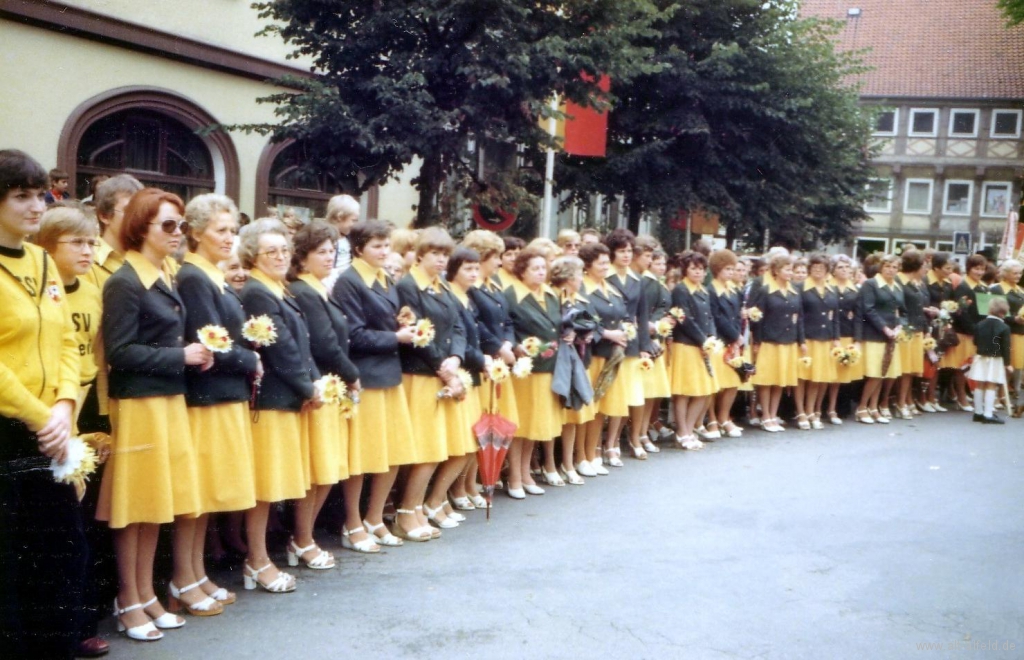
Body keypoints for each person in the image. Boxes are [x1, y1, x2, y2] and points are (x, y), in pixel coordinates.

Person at [97, 188, 211, 639]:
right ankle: (128, 598)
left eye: (180, 224)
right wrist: (179, 357)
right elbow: (120, 352)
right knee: (134, 506)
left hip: (165, 400)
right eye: (168, 225)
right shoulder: (125, 281)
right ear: (140, 226)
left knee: (153, 505)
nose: (177, 233)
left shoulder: (163, 275)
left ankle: (145, 595)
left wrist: (187, 354)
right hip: (140, 404)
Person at [0, 150, 86, 659]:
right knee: (9, 564)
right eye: (22, 196)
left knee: (60, 555)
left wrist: (65, 408)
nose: (38, 206)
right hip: (9, 430)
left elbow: (67, 344)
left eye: (40, 195)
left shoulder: (42, 261)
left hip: (52, 428)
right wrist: (40, 415)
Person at [177, 194, 261, 609]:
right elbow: (212, 340)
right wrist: (252, 358)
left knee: (209, 494)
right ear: (194, 232)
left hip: (225, 395)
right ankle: (183, 577)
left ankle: (196, 574)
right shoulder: (193, 276)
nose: (229, 238)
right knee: (198, 495)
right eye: (220, 230)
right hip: (207, 397)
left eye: (233, 230)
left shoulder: (212, 274)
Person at [34, 204, 111, 658]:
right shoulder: (40, 288)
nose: (88, 251)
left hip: (83, 409)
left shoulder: (93, 290)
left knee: (84, 524)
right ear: (47, 246)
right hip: (47, 414)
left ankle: (84, 619)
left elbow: (95, 358)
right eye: (77, 243)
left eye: (91, 242)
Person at [238, 218, 321, 592]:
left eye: (285, 250)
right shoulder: (258, 291)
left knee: (275, 484)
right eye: (270, 251)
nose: (280, 256)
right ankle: (256, 561)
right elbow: (281, 348)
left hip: (288, 397)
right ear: (253, 255)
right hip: (271, 399)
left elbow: (301, 343)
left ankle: (261, 557)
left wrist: (312, 382)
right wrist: (308, 387)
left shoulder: (278, 288)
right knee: (265, 487)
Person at [333, 221, 417, 547]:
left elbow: (382, 319)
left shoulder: (385, 278)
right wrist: (396, 336)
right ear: (358, 250)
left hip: (389, 374)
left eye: (387, 246)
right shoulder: (349, 282)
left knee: (391, 452)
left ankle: (374, 517)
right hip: (366, 376)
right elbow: (353, 335)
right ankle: (352, 524)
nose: (384, 252)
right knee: (362, 456)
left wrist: (402, 320)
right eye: (377, 247)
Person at [288, 221, 361, 560]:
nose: (329, 256)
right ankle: (301, 539)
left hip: (331, 388)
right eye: (321, 251)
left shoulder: (318, 287)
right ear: (302, 257)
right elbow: (326, 344)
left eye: (333, 250)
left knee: (327, 470)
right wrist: (352, 375)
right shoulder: (304, 290)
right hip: (323, 384)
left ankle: (305, 537)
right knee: (319, 471)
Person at [396, 227, 466, 530]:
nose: (441, 260)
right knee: (424, 449)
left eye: (445, 254)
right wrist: (444, 368)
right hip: (420, 374)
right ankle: (405, 512)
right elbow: (418, 335)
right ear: (421, 253)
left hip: (443, 373)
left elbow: (459, 327)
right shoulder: (409, 285)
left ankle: (418, 508)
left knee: (438, 448)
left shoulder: (443, 286)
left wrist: (456, 359)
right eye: (435, 254)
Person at [463, 230, 518, 506]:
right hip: (485, 359)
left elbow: (506, 319)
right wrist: (498, 346)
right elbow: (478, 325)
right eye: (494, 256)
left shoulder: (493, 285)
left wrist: (508, 342)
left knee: (489, 422)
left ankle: (473, 482)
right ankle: (466, 485)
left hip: (499, 359)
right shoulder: (472, 287)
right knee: (479, 423)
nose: (498, 262)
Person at [505, 246, 566, 498]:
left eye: (543, 268)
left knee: (535, 424)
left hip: (547, 367)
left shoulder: (551, 294)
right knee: (520, 425)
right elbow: (508, 327)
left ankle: (526, 472)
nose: (541, 273)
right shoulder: (511, 295)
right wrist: (518, 346)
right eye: (535, 269)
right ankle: (514, 477)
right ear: (522, 271)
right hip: (525, 370)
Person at [430, 246, 486, 516]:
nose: (474, 273)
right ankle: (436, 499)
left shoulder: (468, 296)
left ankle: (442, 498)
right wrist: (480, 359)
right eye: (468, 268)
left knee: (468, 443)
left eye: (476, 268)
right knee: (460, 444)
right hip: (458, 372)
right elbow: (457, 336)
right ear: (453, 270)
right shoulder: (451, 295)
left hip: (470, 373)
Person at [602, 228, 652, 461]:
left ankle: (629, 440)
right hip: (609, 342)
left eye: (630, 251)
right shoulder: (605, 276)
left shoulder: (638, 280)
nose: (626, 255)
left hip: (631, 344)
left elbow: (641, 316)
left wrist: (645, 345)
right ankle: (609, 444)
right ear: (612, 253)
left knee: (632, 396)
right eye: (621, 251)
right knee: (614, 397)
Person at [748, 253, 804, 433]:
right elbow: (757, 318)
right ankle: (765, 415)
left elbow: (799, 318)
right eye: (787, 269)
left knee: (780, 380)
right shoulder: (766, 290)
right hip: (770, 341)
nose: (790, 273)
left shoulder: (795, 290)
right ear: (776, 271)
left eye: (791, 269)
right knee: (767, 380)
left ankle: (773, 414)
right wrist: (757, 341)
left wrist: (800, 340)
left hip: (788, 341)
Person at [669, 251, 720, 447]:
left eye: (701, 269)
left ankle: (689, 429)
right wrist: (702, 340)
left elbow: (710, 317)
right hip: (686, 345)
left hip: (703, 346)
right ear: (685, 270)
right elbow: (684, 319)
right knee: (684, 391)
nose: (698, 272)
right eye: (693, 268)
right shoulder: (681, 290)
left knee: (704, 390)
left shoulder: (704, 290)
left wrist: (712, 338)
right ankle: (682, 432)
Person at [550, 255, 592, 485]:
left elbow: (589, 321)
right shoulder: (554, 297)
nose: (581, 279)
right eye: (578, 275)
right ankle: (550, 464)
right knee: (555, 414)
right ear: (567, 278)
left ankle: (568, 462)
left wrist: (583, 332)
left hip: (575, 357)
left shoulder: (578, 299)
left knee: (573, 415)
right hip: (558, 359)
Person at [855, 254, 906, 424]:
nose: (891, 270)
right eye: (887, 266)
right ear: (881, 268)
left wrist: (900, 326)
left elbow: (902, 311)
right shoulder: (871, 284)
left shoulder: (897, 286)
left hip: (892, 335)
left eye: (894, 267)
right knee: (875, 373)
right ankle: (862, 407)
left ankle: (874, 407)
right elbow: (868, 309)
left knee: (884, 373)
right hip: (875, 334)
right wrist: (884, 328)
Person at [796, 254, 840, 430]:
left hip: (825, 338)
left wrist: (836, 338)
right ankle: (801, 413)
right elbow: (797, 316)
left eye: (821, 267)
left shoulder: (831, 289)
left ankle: (812, 411)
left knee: (818, 377)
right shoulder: (800, 287)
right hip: (807, 338)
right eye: (814, 266)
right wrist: (801, 339)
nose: (818, 270)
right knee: (802, 377)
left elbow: (835, 317)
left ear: (827, 270)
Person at [942, 254, 988, 410]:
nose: (980, 272)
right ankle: (961, 397)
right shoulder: (963, 286)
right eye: (976, 269)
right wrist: (974, 329)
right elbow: (961, 313)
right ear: (969, 269)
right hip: (965, 332)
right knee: (961, 367)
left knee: (972, 366)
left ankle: (962, 394)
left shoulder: (982, 287)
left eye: (982, 269)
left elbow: (985, 311)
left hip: (978, 332)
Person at [707, 249, 744, 437]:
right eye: (727, 269)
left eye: (733, 269)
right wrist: (733, 336)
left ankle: (724, 417)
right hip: (719, 341)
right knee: (716, 384)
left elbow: (737, 316)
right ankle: (712, 418)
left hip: (733, 341)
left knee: (733, 381)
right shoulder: (711, 289)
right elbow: (717, 317)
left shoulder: (734, 290)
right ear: (717, 269)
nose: (731, 272)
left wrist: (738, 336)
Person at [894, 251, 933, 418]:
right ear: (916, 266)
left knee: (911, 370)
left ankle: (906, 400)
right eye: (924, 265)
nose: (926, 268)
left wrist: (925, 329)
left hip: (917, 329)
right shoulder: (899, 281)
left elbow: (918, 308)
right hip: (906, 330)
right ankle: (900, 403)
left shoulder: (916, 282)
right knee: (904, 370)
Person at [826, 255, 863, 423]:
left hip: (847, 333)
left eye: (848, 268)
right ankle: (824, 407)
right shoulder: (827, 286)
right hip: (829, 335)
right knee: (827, 373)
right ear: (833, 269)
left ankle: (837, 408)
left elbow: (858, 316)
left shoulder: (854, 290)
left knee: (842, 375)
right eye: (840, 267)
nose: (845, 270)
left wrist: (857, 339)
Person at [968, 297, 1011, 424]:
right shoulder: (1004, 327)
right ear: (1002, 313)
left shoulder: (979, 324)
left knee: (979, 384)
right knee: (991, 384)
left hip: (980, 357)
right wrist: (1007, 363)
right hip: (996, 358)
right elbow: (1005, 347)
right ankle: (988, 414)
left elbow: (975, 341)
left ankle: (978, 412)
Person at [990, 259, 1024, 416]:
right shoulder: (997, 289)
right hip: (1004, 330)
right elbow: (996, 311)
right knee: (1002, 364)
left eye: (1020, 273)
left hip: (1019, 332)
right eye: (1014, 273)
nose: (1018, 275)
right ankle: (995, 396)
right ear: (1005, 273)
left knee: (1013, 366)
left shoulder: (1020, 290)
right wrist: (1014, 319)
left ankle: (1003, 394)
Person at [923, 252, 955, 412]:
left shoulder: (948, 283)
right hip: (928, 325)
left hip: (941, 325)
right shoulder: (926, 281)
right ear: (936, 267)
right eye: (947, 268)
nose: (950, 271)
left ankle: (931, 397)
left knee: (937, 362)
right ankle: (922, 398)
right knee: (927, 361)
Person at [322, 194, 360, 290]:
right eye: (353, 220)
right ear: (340, 217)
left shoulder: (350, 238)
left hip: (346, 284)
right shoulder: (323, 238)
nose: (355, 224)